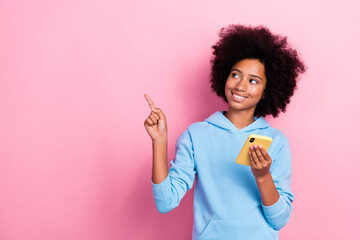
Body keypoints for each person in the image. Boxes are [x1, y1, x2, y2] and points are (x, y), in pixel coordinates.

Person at [144, 24, 306, 240]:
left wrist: (263, 176)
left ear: (267, 91)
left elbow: (279, 220)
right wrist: (159, 141)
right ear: (225, 76)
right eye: (236, 75)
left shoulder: (276, 142)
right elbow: (166, 202)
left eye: (253, 81)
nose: (241, 86)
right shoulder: (196, 135)